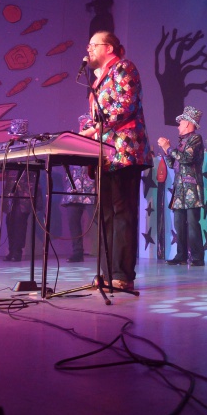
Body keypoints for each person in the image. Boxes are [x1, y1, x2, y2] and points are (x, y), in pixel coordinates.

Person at [79, 31, 150, 291]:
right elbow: (95, 117)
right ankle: (107, 273)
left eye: (93, 45)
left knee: (122, 212)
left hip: (124, 150)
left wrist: (92, 129)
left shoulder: (123, 67)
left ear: (108, 48)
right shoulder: (98, 79)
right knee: (106, 213)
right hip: (104, 153)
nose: (88, 49)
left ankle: (122, 275)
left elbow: (125, 105)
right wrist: (83, 133)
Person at [158, 106, 205, 267]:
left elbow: (186, 158)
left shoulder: (196, 139)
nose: (178, 126)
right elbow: (174, 164)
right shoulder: (182, 142)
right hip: (179, 189)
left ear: (187, 124)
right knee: (179, 223)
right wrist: (167, 151)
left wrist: (169, 148)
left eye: (180, 123)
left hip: (191, 187)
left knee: (192, 223)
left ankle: (197, 256)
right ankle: (181, 255)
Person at [61, 113, 97, 263]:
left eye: (86, 124)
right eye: (81, 125)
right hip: (74, 189)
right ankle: (77, 252)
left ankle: (108, 250)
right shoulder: (74, 142)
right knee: (73, 221)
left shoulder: (97, 143)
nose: (83, 127)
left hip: (92, 189)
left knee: (99, 220)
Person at [2, 118, 38, 262]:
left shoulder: (32, 145)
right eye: (12, 134)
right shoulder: (9, 146)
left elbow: (35, 165)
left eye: (16, 135)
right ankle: (11, 250)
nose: (13, 137)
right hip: (11, 189)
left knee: (20, 220)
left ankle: (17, 251)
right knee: (9, 219)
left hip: (25, 189)